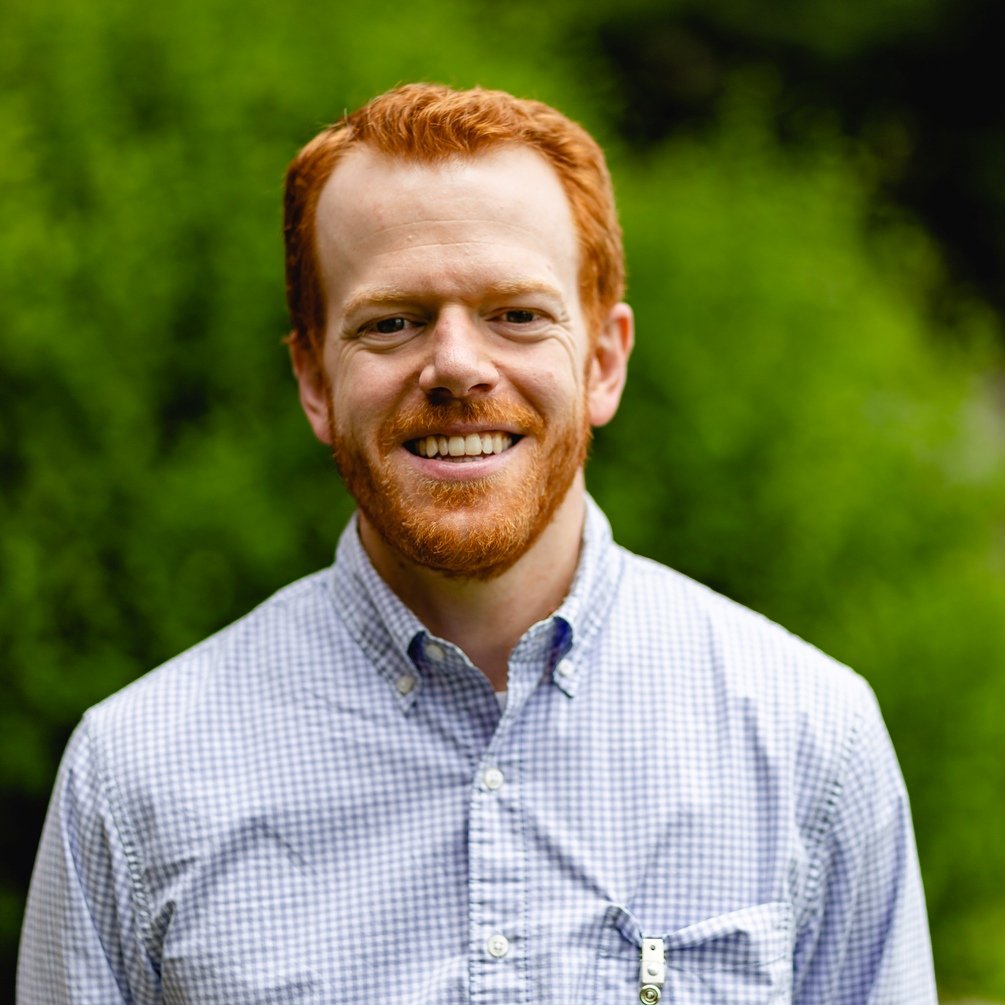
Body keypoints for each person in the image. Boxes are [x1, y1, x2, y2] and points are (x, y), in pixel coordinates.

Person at [18, 83, 937, 1004]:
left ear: (604, 361)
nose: (457, 365)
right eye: (392, 322)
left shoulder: (810, 740)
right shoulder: (132, 779)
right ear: (313, 381)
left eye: (517, 314)